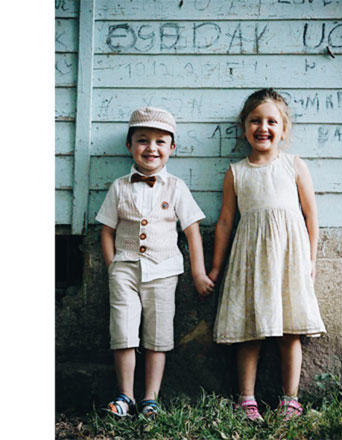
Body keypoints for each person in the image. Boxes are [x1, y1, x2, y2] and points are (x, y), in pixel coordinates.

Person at [207, 89, 326, 422]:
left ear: (283, 130)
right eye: (255, 120)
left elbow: (310, 216)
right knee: (251, 327)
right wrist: (216, 266)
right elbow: (226, 222)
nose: (263, 127)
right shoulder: (237, 172)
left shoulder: (294, 166)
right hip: (252, 260)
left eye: (272, 121)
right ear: (244, 128)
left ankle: (291, 399)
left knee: (291, 328)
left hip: (289, 258)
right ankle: (246, 399)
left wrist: (311, 260)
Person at [96, 106, 214, 418]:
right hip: (125, 271)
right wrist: (113, 267)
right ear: (129, 145)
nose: (151, 148)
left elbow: (191, 232)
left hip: (164, 272)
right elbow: (106, 230)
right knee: (123, 331)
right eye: (143, 140)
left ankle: (150, 398)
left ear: (172, 148)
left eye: (160, 142)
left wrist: (198, 273)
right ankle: (125, 396)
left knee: (159, 336)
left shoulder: (176, 187)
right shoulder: (119, 187)